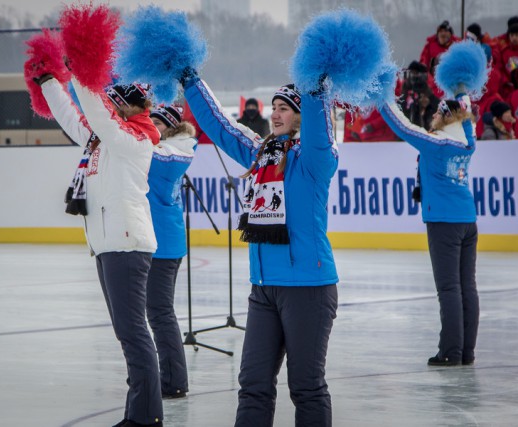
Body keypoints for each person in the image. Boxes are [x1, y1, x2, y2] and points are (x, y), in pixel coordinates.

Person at [180, 71, 339, 426]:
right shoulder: (262, 153)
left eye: (286, 108)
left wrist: (315, 88)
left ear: (301, 115)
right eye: (275, 107)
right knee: (253, 384)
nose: (276, 114)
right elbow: (221, 126)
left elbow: (321, 129)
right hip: (263, 289)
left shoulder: (315, 159)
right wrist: (189, 80)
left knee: (306, 386)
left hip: (308, 289)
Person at [37, 73, 164, 427]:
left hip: (125, 244)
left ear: (131, 105)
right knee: (128, 333)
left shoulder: (133, 138)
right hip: (109, 244)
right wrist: (49, 81)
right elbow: (73, 117)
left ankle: (147, 416)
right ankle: (139, 411)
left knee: (133, 332)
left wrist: (80, 71)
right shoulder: (102, 139)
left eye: (115, 101)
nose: (109, 105)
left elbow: (95, 113)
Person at [379, 95, 479, 367]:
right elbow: (468, 124)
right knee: (466, 287)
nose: (433, 114)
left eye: (438, 111)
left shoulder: (437, 144)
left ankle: (451, 351)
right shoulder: (467, 143)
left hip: (444, 224)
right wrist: (462, 99)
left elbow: (404, 128)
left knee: (449, 288)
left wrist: (382, 100)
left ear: (446, 116)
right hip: (467, 220)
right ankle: (466, 351)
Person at [147, 104, 196, 399]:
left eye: (156, 123)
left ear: (169, 127)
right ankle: (170, 377)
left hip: (163, 244)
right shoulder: (165, 149)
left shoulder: (168, 154)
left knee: (160, 312)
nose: (150, 127)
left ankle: (174, 380)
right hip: (161, 241)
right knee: (158, 312)